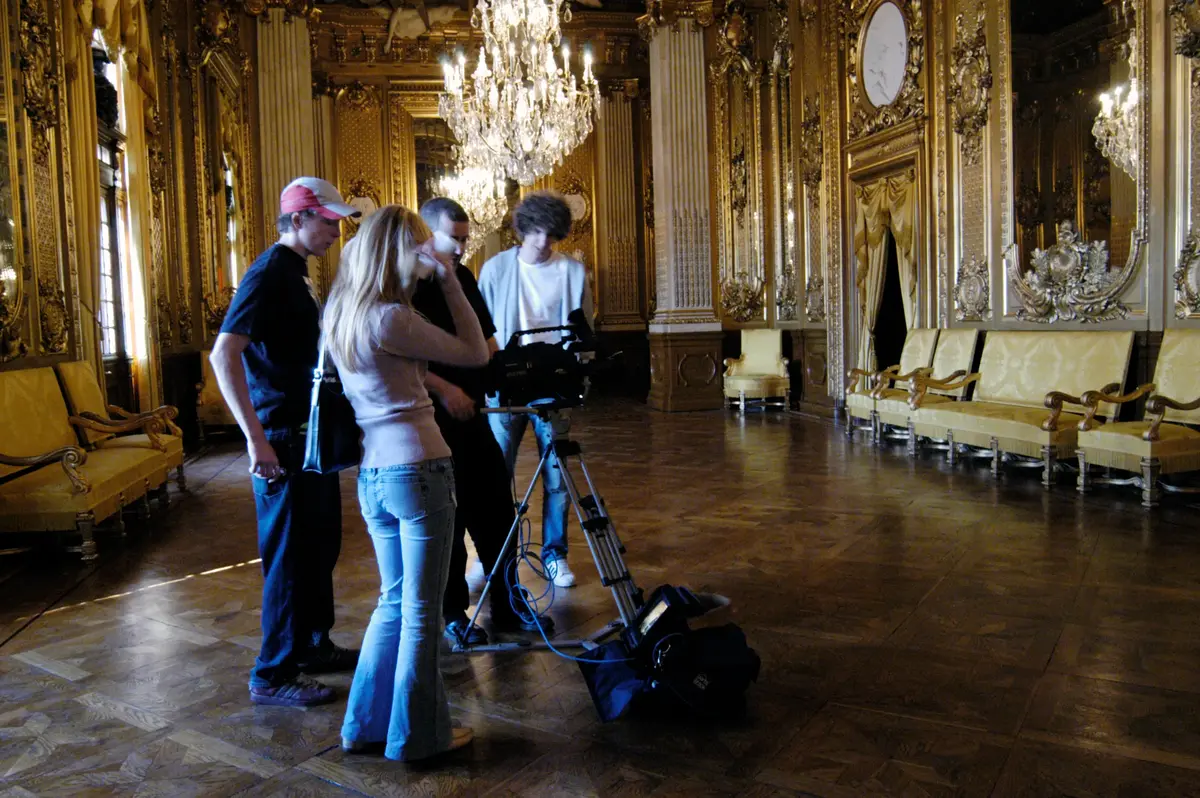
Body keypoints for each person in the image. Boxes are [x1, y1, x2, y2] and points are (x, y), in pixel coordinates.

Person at [325, 205, 484, 761]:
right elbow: (475, 352)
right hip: (418, 468)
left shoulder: (342, 312)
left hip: (372, 474)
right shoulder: (392, 317)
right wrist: (451, 279)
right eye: (420, 247)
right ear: (400, 251)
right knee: (420, 612)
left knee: (392, 603)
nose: (428, 256)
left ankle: (363, 725)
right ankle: (419, 736)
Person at [211, 176, 361, 708]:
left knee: (319, 547)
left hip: (307, 436)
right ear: (298, 219)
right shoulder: (270, 271)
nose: (336, 232)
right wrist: (256, 442)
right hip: (281, 437)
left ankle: (312, 646)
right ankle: (272, 673)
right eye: (329, 221)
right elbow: (224, 354)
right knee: (289, 559)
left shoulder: (296, 272)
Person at [414, 198, 554, 645]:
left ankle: (509, 602)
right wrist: (444, 389)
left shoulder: (464, 278)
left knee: (496, 508)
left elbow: (486, 338)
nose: (461, 248)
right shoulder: (406, 284)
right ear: (427, 234)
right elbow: (398, 355)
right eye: (452, 239)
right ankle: (453, 613)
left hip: (472, 415)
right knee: (448, 520)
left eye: (465, 238)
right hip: (429, 421)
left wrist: (506, 374)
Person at [478, 191, 593, 589]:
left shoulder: (573, 272)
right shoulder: (495, 269)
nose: (544, 241)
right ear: (524, 228)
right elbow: (481, 329)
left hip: (554, 382)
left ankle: (555, 554)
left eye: (552, 234)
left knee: (557, 474)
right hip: (506, 382)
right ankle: (495, 553)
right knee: (498, 474)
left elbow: (584, 330)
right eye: (537, 232)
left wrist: (581, 375)